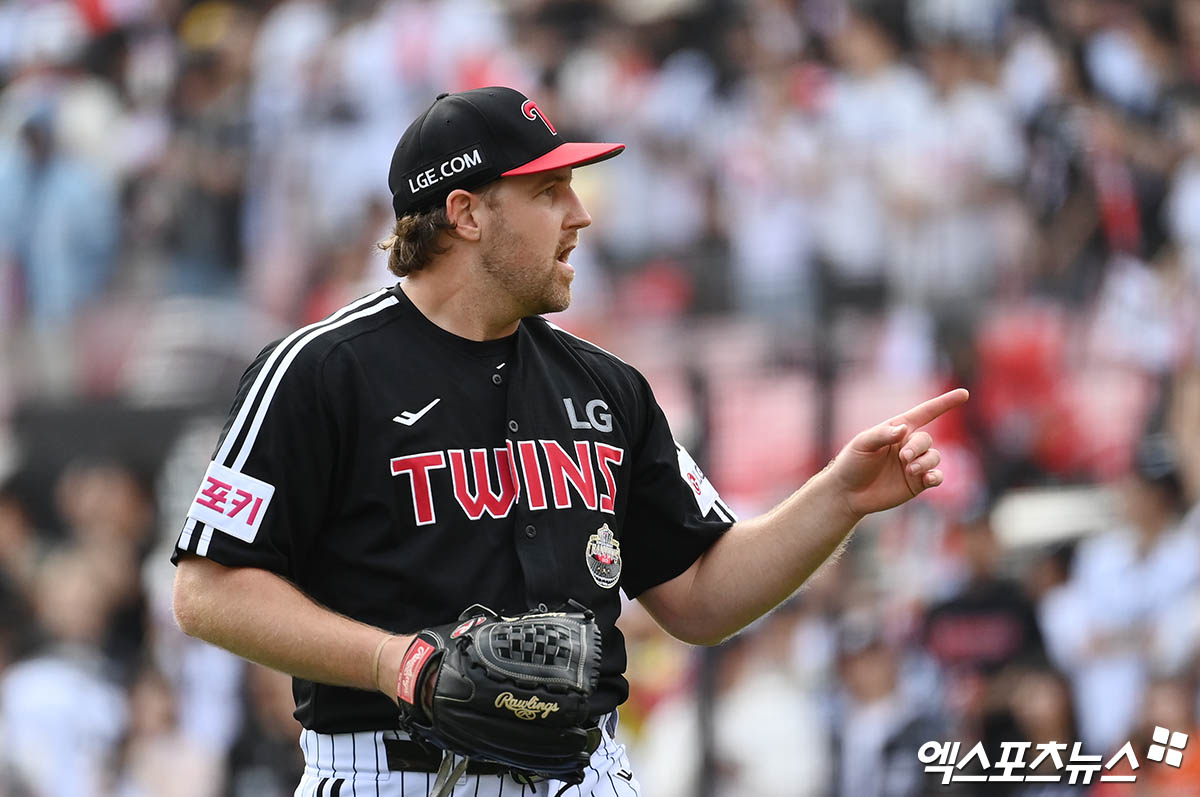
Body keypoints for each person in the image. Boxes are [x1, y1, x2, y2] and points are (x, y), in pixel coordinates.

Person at [170, 86, 968, 797]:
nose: (580, 216)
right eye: (550, 192)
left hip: (584, 770)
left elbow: (699, 595)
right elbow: (208, 588)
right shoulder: (320, 372)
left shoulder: (606, 385)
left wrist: (838, 497)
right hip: (392, 769)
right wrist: (393, 662)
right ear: (467, 213)